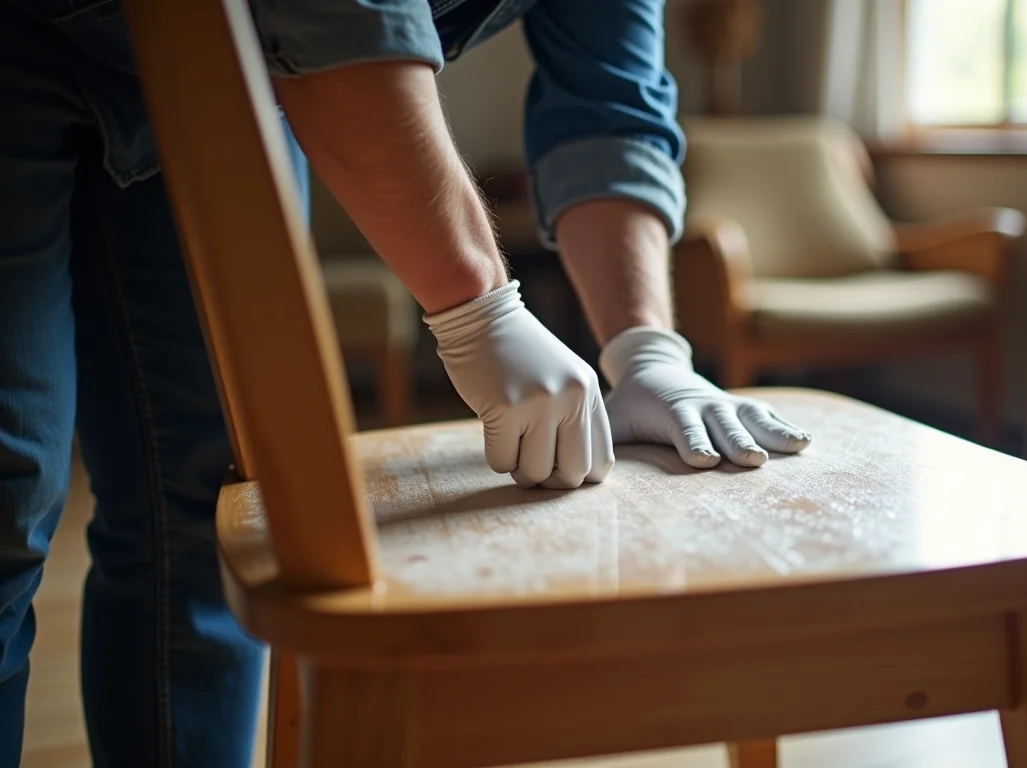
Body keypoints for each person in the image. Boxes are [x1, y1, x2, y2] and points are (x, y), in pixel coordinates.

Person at [0, 0, 812, 765]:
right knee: (9, 491)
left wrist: (646, 349)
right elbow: (339, 22)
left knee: (204, 504)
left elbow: (612, 102)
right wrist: (478, 306)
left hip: (225, 56)